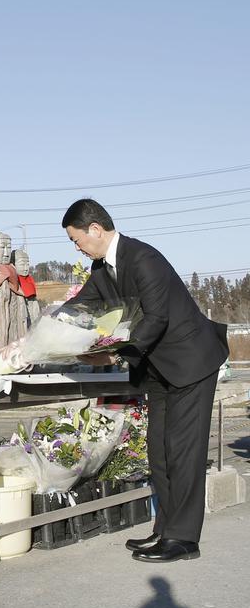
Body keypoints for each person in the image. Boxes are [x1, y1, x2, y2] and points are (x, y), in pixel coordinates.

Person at [62, 198, 228, 563]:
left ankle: (184, 540)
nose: (76, 246)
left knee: (183, 452)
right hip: (157, 369)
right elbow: (82, 305)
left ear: (95, 229)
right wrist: (47, 331)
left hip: (191, 363)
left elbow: (155, 320)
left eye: (76, 239)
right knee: (159, 451)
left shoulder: (143, 258)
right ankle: (166, 529)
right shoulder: (103, 269)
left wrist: (114, 354)